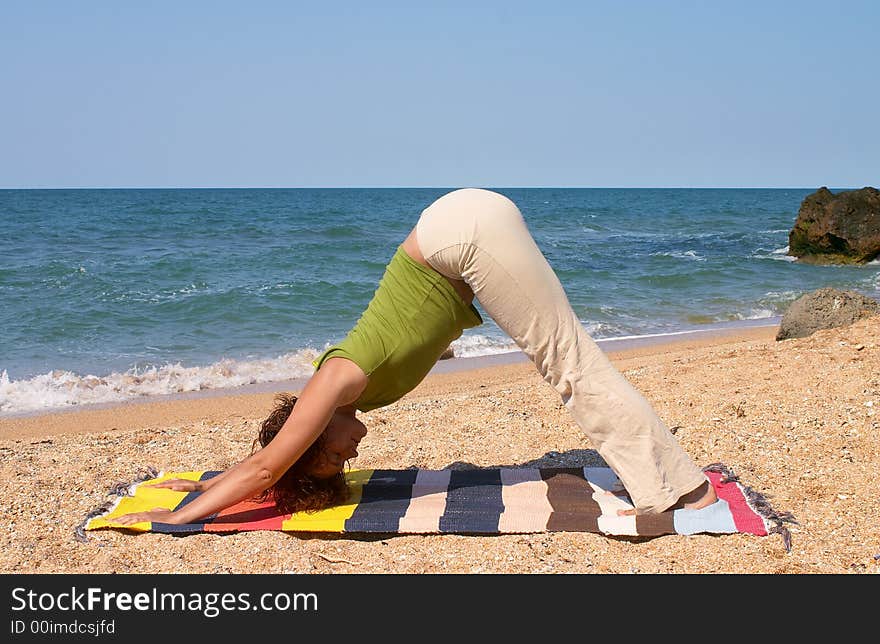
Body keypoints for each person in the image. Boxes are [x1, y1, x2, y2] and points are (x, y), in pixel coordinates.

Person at [117, 188, 716, 527]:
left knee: (569, 363)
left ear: (313, 433)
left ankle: (672, 490)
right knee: (566, 361)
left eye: (330, 458)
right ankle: (676, 482)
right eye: (341, 465)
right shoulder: (338, 396)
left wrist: (178, 517)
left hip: (463, 236)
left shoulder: (332, 383)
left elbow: (270, 469)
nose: (352, 454)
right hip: (457, 232)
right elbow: (269, 460)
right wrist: (216, 480)